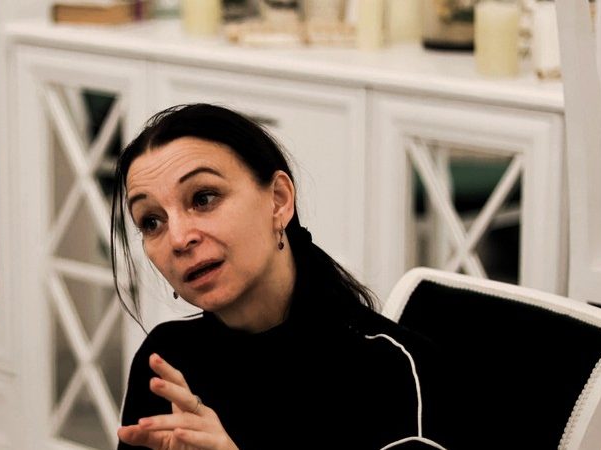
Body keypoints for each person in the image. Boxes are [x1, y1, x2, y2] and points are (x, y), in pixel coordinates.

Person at [110, 104, 464, 450]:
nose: (178, 238)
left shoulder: (391, 371)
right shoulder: (166, 361)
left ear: (279, 200)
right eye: (151, 222)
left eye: (203, 199)